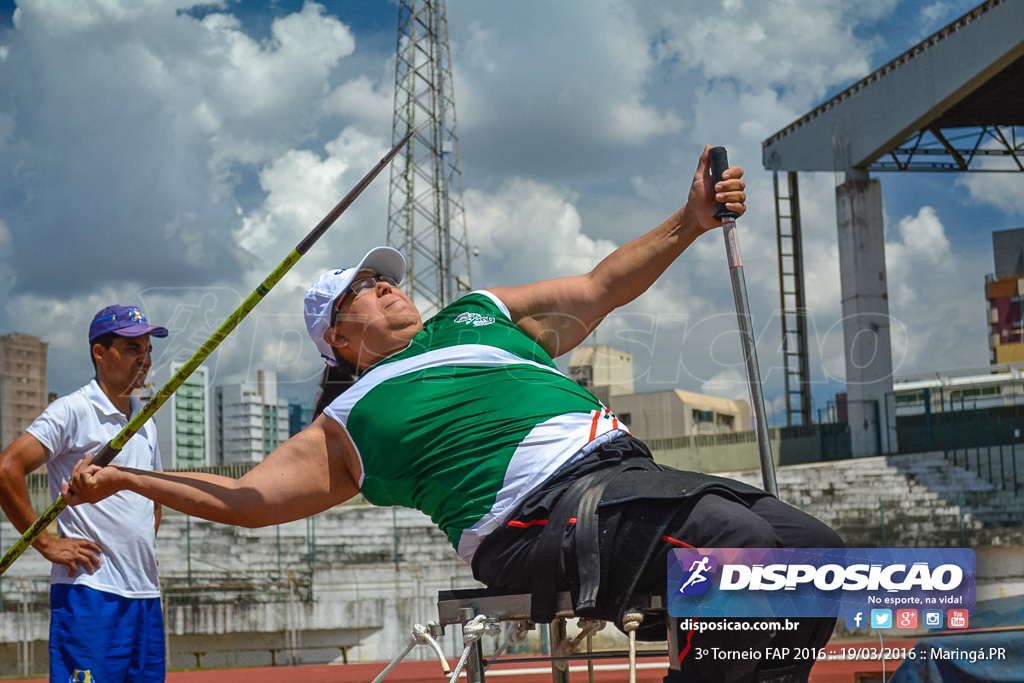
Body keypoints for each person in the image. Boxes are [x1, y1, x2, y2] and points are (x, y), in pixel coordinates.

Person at [65, 147, 841, 683]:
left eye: (384, 274)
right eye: (365, 286)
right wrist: (125, 475)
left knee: (817, 553)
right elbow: (249, 500)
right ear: (339, 338)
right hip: (538, 517)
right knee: (739, 548)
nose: (387, 283)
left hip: (628, 474)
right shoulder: (352, 415)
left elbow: (601, 286)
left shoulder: (479, 311)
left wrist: (691, 219)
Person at [0, 305, 169, 683]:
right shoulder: (73, 410)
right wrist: (45, 544)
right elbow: (6, 468)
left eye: (148, 351)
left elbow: (153, 495)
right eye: (132, 350)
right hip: (92, 593)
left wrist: (142, 545)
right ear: (99, 352)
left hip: (144, 594)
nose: (144, 360)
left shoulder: (145, 422)